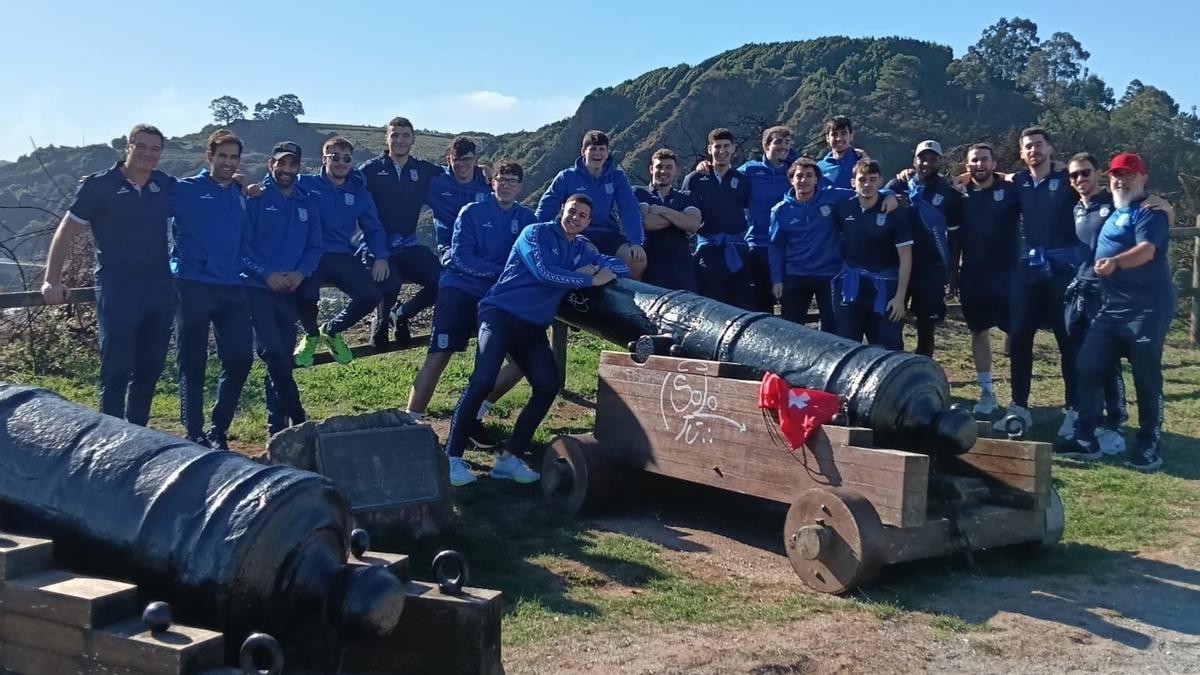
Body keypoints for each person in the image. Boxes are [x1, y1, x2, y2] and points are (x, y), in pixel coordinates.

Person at [443, 194, 630, 486]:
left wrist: (595, 267)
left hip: (531, 327)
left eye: (582, 215)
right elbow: (544, 272)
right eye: (572, 212)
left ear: (588, 222)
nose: (576, 218)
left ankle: (509, 458)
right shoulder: (536, 233)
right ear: (561, 211)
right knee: (482, 381)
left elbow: (620, 267)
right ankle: (451, 456)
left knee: (547, 384)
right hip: (500, 315)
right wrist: (588, 279)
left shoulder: (581, 248)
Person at [40, 123, 176, 427]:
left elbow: (202, 197)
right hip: (117, 289)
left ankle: (138, 436)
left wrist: (238, 184)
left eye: (154, 148)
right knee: (116, 369)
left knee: (149, 369)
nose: (147, 153)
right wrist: (52, 278)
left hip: (158, 288)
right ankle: (110, 440)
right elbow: (66, 231)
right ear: (127, 146)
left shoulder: (164, 184)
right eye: (140, 146)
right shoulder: (99, 185)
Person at [1055, 153, 1173, 471]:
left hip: (1146, 309)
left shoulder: (1150, 212)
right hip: (1110, 308)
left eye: (1129, 174)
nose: (1121, 180)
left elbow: (1148, 250)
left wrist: (1118, 262)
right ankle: (1084, 439)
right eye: (1116, 175)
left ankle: (1148, 444)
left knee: (1146, 378)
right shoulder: (1114, 210)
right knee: (1089, 365)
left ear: (1143, 178)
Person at [405, 160, 537, 422]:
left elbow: (541, 249)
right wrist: (500, 273)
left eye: (513, 181)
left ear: (520, 187)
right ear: (492, 182)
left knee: (523, 361)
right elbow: (461, 258)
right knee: (440, 354)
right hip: (460, 291)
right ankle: (411, 419)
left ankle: (473, 413)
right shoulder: (471, 212)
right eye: (502, 179)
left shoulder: (526, 218)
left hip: (495, 300)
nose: (507, 185)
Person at [167, 129, 254, 448]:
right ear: (210, 157)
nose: (228, 163)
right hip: (192, 284)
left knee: (241, 357)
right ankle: (194, 432)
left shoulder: (239, 193)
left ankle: (218, 429)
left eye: (234, 157)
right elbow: (146, 208)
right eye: (223, 156)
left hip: (231, 286)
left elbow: (244, 238)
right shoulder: (185, 189)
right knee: (192, 361)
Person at [994, 127, 1081, 435]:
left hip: (1062, 270)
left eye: (1039, 145)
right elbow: (990, 177)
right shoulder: (1019, 182)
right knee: (1019, 337)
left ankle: (1074, 410)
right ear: (1022, 153)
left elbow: (1098, 188)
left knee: (1067, 341)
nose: (1034, 150)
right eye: (1028, 147)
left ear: (1051, 149)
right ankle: (1019, 407)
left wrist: (1155, 201)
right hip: (1029, 268)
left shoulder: (1066, 180)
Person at [242, 142, 322, 435]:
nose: (287, 169)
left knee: (281, 358)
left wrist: (301, 273)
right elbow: (242, 246)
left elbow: (315, 246)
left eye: (292, 164)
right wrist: (266, 274)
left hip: (289, 293)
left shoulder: (306, 203)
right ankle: (298, 418)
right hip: (257, 290)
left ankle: (276, 427)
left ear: (298, 167)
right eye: (281, 163)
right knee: (273, 352)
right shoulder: (255, 198)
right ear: (270, 164)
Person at [292, 136, 390, 366]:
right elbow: (277, 181)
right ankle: (311, 335)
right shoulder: (305, 183)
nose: (341, 162)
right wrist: (254, 187)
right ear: (323, 159)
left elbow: (373, 228)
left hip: (341, 254)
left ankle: (332, 330)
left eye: (346, 158)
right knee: (306, 295)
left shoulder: (359, 192)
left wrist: (381, 257)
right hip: (309, 255)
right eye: (335, 157)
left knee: (372, 294)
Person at [1062, 152, 1128, 454]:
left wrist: (1163, 206)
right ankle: (1086, 423)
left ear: (1098, 174)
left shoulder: (1113, 204)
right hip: (1080, 289)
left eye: (1085, 173)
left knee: (1108, 361)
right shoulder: (1075, 207)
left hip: (1108, 294)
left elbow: (1145, 206)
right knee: (1083, 361)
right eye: (1074, 175)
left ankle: (1115, 423)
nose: (1079, 180)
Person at [360, 117, 443, 347]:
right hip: (377, 245)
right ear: (386, 138)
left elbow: (456, 172)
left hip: (408, 244)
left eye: (405, 135)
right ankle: (382, 319)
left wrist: (481, 172)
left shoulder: (422, 169)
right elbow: (337, 182)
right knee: (391, 280)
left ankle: (402, 314)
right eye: (394, 135)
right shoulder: (370, 170)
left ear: (413, 138)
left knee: (442, 280)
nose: (400, 140)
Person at [954, 143, 1020, 415]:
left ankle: (1019, 396)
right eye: (974, 161)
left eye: (984, 160)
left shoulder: (1009, 189)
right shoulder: (961, 193)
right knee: (978, 331)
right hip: (973, 274)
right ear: (966, 165)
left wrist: (1007, 176)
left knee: (1015, 334)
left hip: (1008, 274)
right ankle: (986, 392)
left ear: (994, 163)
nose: (979, 165)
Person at [886, 140, 963, 357]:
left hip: (930, 269)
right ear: (914, 160)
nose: (927, 162)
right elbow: (876, 195)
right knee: (892, 319)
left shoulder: (949, 195)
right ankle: (893, 369)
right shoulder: (898, 185)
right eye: (922, 157)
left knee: (926, 326)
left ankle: (921, 372)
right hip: (896, 264)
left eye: (932, 158)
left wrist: (953, 272)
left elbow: (955, 238)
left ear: (940, 161)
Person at [535, 130, 646, 278]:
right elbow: (546, 208)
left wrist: (636, 242)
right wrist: (535, 236)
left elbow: (629, 209)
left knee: (637, 260)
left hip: (607, 233)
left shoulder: (617, 177)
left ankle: (623, 297)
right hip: (579, 234)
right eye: (593, 149)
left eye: (601, 149)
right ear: (583, 151)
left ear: (607, 153)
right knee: (591, 258)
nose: (597, 153)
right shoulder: (567, 177)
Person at [831, 159, 912, 349]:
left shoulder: (895, 212)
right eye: (862, 179)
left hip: (885, 287)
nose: (867, 184)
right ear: (853, 183)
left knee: (887, 346)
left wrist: (900, 297)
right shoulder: (843, 208)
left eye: (872, 179)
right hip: (851, 286)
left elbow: (906, 257)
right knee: (847, 345)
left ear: (880, 181)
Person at [768, 157, 853, 331]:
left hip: (829, 274)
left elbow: (865, 191)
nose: (804, 180)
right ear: (791, 179)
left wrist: (889, 194)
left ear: (816, 179)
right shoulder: (780, 210)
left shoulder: (830, 196)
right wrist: (777, 280)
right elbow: (776, 247)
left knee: (833, 329)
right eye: (799, 176)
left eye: (809, 175)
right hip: (796, 274)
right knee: (791, 329)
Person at [682, 128, 753, 308]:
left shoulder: (742, 179)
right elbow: (684, 213)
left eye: (726, 146)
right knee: (712, 305)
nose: (722, 151)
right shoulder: (694, 179)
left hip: (737, 249)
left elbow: (746, 209)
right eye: (717, 146)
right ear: (709, 149)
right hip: (708, 249)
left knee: (740, 303)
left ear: (734, 148)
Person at [739, 126, 798, 311]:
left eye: (787, 142)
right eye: (778, 142)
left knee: (792, 307)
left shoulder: (794, 171)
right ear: (765, 145)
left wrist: (858, 155)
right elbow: (724, 176)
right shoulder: (750, 170)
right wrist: (705, 166)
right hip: (758, 246)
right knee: (761, 306)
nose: (783, 146)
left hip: (789, 249)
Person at [634, 148, 702, 290]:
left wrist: (662, 210)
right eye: (659, 167)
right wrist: (679, 219)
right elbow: (646, 222)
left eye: (668, 167)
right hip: (651, 265)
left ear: (675, 170)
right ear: (651, 169)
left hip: (682, 267)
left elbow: (693, 224)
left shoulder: (687, 196)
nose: (663, 171)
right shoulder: (640, 192)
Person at [427, 137, 492, 257]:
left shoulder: (488, 182)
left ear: (475, 160)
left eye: (466, 159)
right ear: (448, 160)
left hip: (485, 248)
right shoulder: (436, 182)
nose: (461, 164)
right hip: (451, 249)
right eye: (456, 160)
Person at [816, 116, 868, 190]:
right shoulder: (819, 168)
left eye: (843, 134)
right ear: (827, 138)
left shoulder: (861, 162)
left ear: (851, 136)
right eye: (834, 134)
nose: (839, 138)